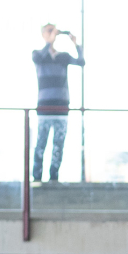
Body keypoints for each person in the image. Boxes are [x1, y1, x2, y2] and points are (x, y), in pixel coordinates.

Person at [31, 23, 84, 184]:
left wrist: (75, 44)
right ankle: (37, 177)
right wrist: (49, 42)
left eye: (53, 31)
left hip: (62, 106)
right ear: (43, 35)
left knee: (58, 144)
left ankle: (54, 178)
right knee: (41, 142)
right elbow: (38, 58)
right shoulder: (38, 54)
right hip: (44, 107)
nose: (52, 33)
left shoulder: (63, 56)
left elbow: (81, 62)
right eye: (49, 31)